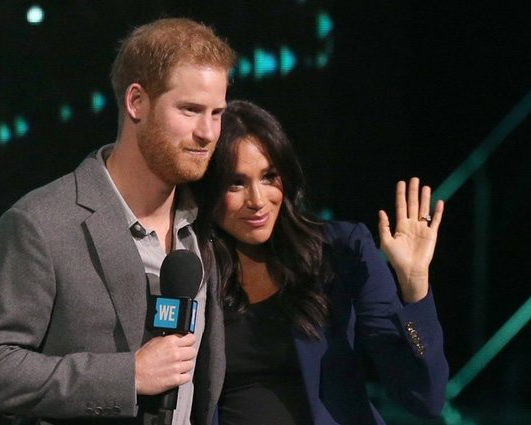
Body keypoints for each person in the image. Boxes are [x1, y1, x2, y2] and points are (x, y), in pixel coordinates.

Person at [0, 18, 236, 425]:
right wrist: (127, 376)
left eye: (217, 113)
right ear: (136, 102)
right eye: (190, 110)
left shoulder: (204, 226)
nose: (208, 133)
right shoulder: (41, 222)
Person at [190, 100, 449, 425]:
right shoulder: (190, 268)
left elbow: (424, 397)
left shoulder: (341, 250)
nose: (257, 200)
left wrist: (414, 288)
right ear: (208, 188)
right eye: (236, 183)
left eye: (269, 177)